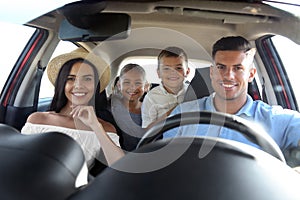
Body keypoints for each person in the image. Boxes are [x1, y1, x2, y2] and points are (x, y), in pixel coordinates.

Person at [163, 36, 300, 160]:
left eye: (238, 68)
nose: (228, 76)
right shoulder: (182, 114)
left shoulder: (277, 120)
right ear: (212, 72)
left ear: (251, 74)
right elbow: (167, 163)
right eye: (221, 67)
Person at [21, 48, 125, 171]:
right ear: (62, 84)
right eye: (71, 79)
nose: (79, 85)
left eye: (87, 79)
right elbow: (21, 161)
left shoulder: (105, 128)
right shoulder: (38, 119)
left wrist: (96, 126)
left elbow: (120, 168)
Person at [141, 46, 190, 128]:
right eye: (166, 68)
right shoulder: (151, 98)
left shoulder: (194, 92)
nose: (173, 72)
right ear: (158, 73)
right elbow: (147, 130)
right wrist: (173, 112)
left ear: (187, 72)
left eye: (178, 68)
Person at [109, 63, 149, 151]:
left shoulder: (151, 110)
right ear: (119, 85)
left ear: (146, 86)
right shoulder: (113, 110)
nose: (132, 87)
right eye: (127, 82)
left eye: (138, 83)